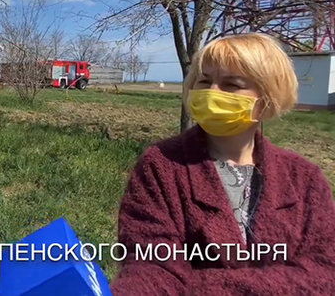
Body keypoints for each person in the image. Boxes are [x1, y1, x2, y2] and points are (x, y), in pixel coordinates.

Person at [110, 33, 335, 295]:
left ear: (267, 97)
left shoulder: (304, 178)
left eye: (231, 85)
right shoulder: (161, 166)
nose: (211, 93)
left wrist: (199, 286)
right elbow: (151, 264)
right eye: (204, 81)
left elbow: (325, 269)